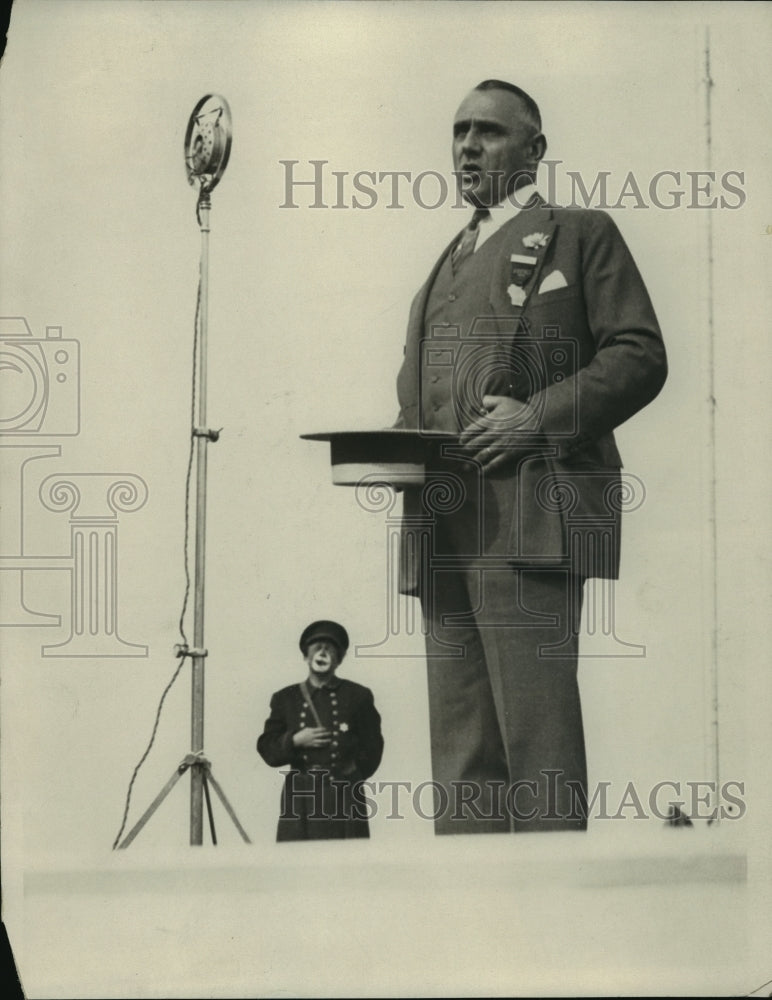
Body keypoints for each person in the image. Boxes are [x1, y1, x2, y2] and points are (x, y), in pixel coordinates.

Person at [394, 80, 667, 833]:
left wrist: (536, 419)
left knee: (537, 750)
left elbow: (639, 355)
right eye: (458, 132)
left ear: (535, 150)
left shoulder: (579, 233)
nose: (467, 147)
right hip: (441, 530)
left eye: (487, 131)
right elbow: (418, 398)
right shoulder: (440, 266)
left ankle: (562, 936)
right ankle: (473, 934)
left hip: (530, 524)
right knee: (460, 762)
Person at [257, 620, 384, 841]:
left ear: (339, 659)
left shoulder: (358, 696)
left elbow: (373, 747)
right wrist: (294, 741)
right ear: (306, 656)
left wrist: (350, 776)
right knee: (298, 866)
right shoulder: (286, 698)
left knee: (347, 865)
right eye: (317, 647)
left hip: (344, 797)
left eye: (330, 648)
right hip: (301, 798)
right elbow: (267, 748)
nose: (323, 652)